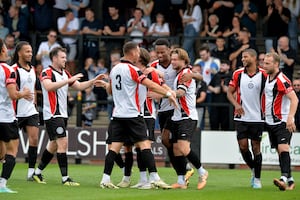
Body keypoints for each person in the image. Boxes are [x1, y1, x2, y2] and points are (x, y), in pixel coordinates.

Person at [98, 41, 177, 189]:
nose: (139, 54)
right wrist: (168, 93)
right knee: (145, 145)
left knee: (114, 148)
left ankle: (105, 179)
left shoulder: (114, 69)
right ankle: (154, 177)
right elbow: (150, 84)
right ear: (133, 52)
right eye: (138, 51)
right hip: (133, 114)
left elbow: (110, 91)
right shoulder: (132, 69)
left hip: (117, 115)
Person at [32, 47, 101, 186]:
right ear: (55, 58)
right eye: (63, 57)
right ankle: (65, 179)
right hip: (52, 114)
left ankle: (37, 173)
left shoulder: (65, 73)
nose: (65, 59)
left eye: (65, 57)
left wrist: (93, 81)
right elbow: (49, 86)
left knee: (53, 145)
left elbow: (80, 86)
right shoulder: (47, 72)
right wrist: (69, 80)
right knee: (63, 143)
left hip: (62, 114)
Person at [169, 48, 208, 190]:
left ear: (184, 61)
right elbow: (199, 76)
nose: (173, 62)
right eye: (172, 59)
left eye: (175, 60)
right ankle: (181, 181)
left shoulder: (185, 73)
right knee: (175, 149)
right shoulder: (182, 72)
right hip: (177, 116)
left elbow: (180, 92)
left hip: (187, 116)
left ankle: (202, 172)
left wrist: (166, 93)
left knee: (183, 148)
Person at [227, 48, 267, 189]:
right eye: (242, 57)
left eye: (245, 57)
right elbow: (229, 92)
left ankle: (257, 179)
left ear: (254, 58)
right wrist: (236, 104)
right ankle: (253, 169)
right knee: (243, 146)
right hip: (241, 117)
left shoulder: (264, 74)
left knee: (256, 147)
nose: (243, 59)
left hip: (258, 117)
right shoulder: (238, 73)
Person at [0, 38, 32, 193]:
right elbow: (13, 95)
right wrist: (24, 93)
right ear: (2, 51)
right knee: (12, 151)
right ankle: (2, 185)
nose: (7, 51)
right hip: (5, 117)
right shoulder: (8, 70)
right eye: (6, 48)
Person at [263, 52, 297, 191]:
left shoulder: (282, 80)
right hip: (270, 121)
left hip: (282, 120)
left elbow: (294, 99)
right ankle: (290, 180)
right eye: (264, 62)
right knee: (279, 151)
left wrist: (290, 117)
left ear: (276, 64)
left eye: (267, 63)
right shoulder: (267, 77)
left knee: (283, 148)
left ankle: (283, 178)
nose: (265, 65)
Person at [11, 41, 39, 181]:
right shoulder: (13, 69)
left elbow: (32, 86)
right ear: (19, 53)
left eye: (31, 51)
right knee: (8, 146)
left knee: (34, 139)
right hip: (15, 112)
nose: (30, 54)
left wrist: (34, 100)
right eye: (27, 51)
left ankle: (31, 173)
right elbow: (8, 90)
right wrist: (21, 94)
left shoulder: (32, 68)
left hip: (30, 111)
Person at [207, 59, 232, 130]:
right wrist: (214, 89)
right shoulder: (216, 75)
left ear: (228, 67)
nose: (221, 67)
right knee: (214, 125)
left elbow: (235, 89)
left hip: (227, 106)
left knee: (226, 126)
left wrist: (227, 89)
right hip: (215, 104)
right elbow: (209, 86)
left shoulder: (231, 76)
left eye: (223, 65)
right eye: (220, 65)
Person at [57, 8, 79, 75]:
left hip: (73, 44)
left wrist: (64, 33)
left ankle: (73, 75)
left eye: (72, 15)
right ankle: (67, 76)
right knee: (64, 61)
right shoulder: (60, 20)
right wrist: (67, 22)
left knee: (71, 60)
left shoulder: (76, 20)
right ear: (66, 15)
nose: (72, 16)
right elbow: (61, 32)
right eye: (70, 15)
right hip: (64, 44)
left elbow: (74, 32)